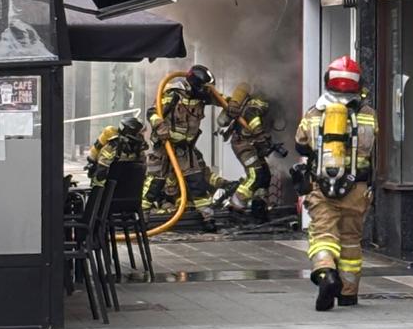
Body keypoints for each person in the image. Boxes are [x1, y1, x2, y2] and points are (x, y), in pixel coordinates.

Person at [293, 56, 378, 311]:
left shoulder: (314, 113)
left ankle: (326, 274)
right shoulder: (369, 116)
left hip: (322, 188)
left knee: (323, 235)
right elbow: (374, 147)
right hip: (358, 188)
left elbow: (301, 143)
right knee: (351, 240)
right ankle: (349, 293)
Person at [144, 65, 217, 233]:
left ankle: (208, 218)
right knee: (154, 184)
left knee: (197, 183)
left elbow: (221, 101)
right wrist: (160, 126)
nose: (206, 90)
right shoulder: (173, 95)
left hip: (185, 150)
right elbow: (152, 112)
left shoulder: (201, 97)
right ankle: (142, 219)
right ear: (194, 83)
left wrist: (232, 105)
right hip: (165, 148)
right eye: (203, 86)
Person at [211, 81, 283, 221]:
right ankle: (235, 206)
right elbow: (251, 114)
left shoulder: (268, 100)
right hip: (243, 143)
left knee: (265, 175)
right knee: (255, 175)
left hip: (252, 143)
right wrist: (260, 134)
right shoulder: (261, 100)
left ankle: (259, 206)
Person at [87, 114, 147, 180]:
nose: (141, 136)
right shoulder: (113, 146)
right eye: (139, 133)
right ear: (130, 132)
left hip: (127, 182)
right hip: (112, 184)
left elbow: (142, 166)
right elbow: (102, 169)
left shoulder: (137, 147)